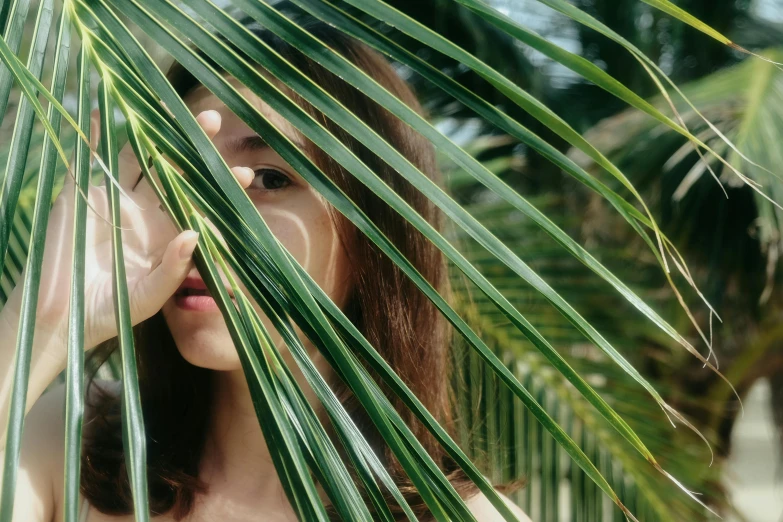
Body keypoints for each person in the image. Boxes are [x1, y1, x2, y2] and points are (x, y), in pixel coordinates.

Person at [0, 14, 531, 522]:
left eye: (270, 179)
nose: (202, 218)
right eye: (182, 173)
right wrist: (42, 323)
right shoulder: (68, 442)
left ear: (378, 232)